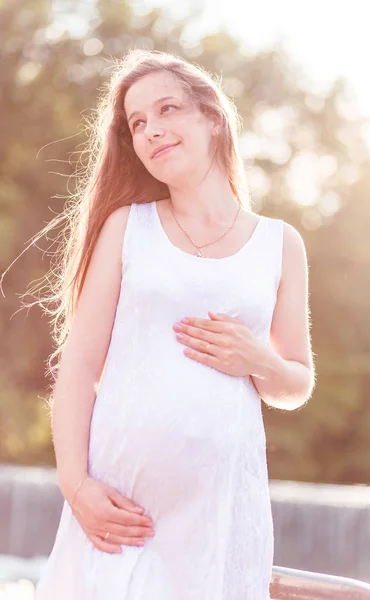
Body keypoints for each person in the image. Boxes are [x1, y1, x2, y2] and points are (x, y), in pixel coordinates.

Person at [34, 49, 315, 600]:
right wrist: (76, 485)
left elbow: (297, 384)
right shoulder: (127, 227)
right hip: (118, 515)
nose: (152, 131)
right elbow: (79, 365)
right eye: (138, 123)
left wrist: (257, 361)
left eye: (167, 110)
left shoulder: (280, 244)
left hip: (222, 517)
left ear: (212, 117)